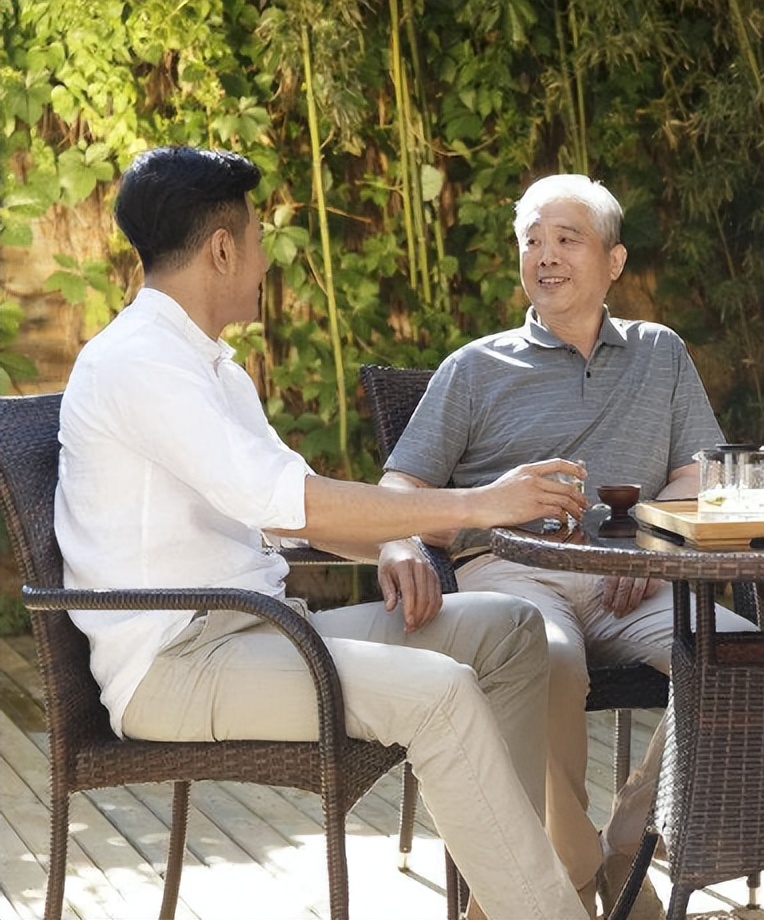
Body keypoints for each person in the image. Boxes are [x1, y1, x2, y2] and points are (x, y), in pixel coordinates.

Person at [54, 146, 588, 919]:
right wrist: (475, 505)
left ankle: (502, 903)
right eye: (260, 238)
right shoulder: (138, 364)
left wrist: (396, 544)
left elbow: (293, 506)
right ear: (222, 248)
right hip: (179, 666)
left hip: (264, 634)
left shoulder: (213, 370)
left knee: (507, 630)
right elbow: (291, 504)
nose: (269, 260)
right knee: (438, 696)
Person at [378, 173, 757, 918]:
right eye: (532, 240)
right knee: (544, 658)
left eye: (566, 239)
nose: (545, 256)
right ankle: (573, 861)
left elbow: (701, 474)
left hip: (636, 576)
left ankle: (625, 839)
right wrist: (395, 538)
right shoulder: (476, 366)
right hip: (517, 575)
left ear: (614, 262)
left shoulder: (660, 353)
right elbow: (401, 485)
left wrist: (648, 543)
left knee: (742, 663)